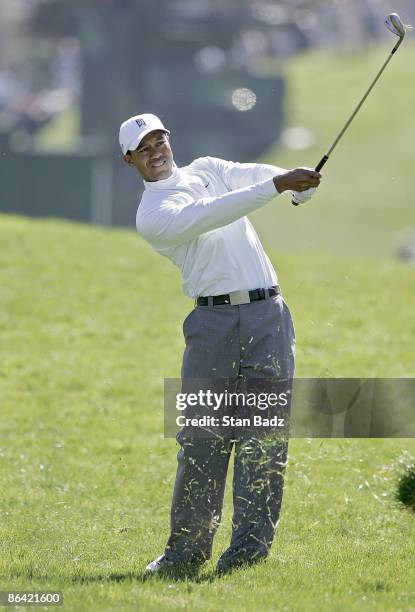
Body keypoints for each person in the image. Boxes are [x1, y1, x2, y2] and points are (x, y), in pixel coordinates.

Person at [119, 113, 321, 575]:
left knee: (264, 439)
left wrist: (295, 181)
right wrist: (279, 186)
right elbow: (215, 212)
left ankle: (247, 557)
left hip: (268, 314)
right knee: (202, 440)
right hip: (212, 324)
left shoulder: (207, 168)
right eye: (144, 148)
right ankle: (184, 557)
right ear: (129, 160)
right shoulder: (153, 216)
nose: (157, 152)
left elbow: (254, 175)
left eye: (160, 141)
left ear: (170, 141)